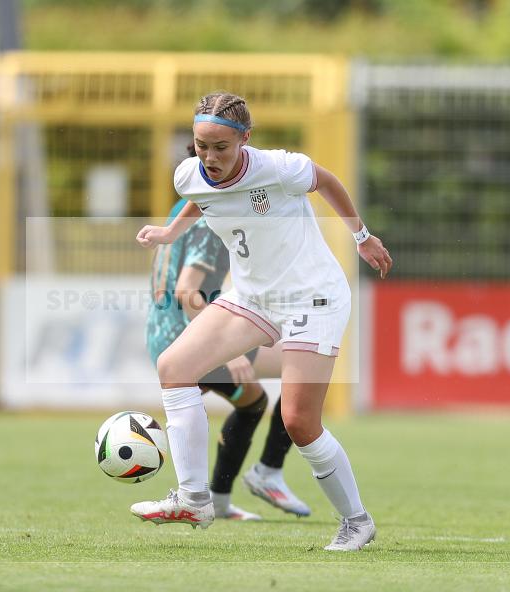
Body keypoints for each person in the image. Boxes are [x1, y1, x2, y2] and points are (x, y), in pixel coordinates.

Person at [133, 92, 392, 551]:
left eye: (221, 147)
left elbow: (327, 180)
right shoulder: (188, 174)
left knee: (298, 421)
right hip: (254, 297)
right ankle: (194, 498)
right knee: (174, 367)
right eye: (201, 145)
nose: (209, 158)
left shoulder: (278, 167)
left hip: (313, 296)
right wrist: (171, 232)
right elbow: (203, 196)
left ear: (245, 140)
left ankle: (357, 521)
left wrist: (361, 236)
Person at [146, 146, 310, 521]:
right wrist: (231, 352)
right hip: (186, 332)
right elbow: (187, 290)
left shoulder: (184, 208)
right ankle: (259, 475)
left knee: (254, 397)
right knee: (303, 364)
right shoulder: (210, 214)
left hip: (164, 332)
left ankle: (219, 495)